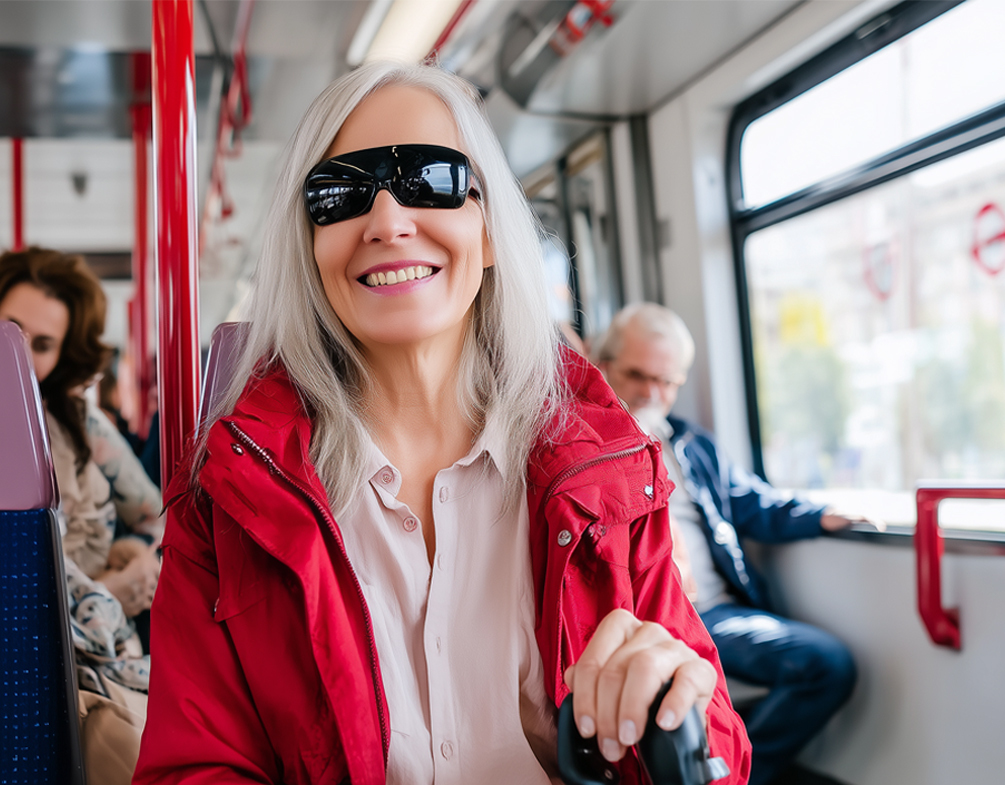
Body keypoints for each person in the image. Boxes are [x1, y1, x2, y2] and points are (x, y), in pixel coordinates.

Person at [133, 63, 749, 785]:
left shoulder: (605, 468)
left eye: (432, 178)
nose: (388, 221)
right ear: (309, 246)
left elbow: (719, 756)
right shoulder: (226, 499)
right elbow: (197, 766)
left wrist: (670, 717)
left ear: (488, 228)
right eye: (340, 194)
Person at [594, 303, 865, 785]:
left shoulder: (691, 446)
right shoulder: (586, 451)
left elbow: (750, 502)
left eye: (668, 382)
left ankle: (735, 776)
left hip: (712, 612)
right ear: (605, 365)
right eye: (638, 376)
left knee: (827, 664)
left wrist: (819, 516)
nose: (653, 394)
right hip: (635, 615)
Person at [0, 247, 164, 783]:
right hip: (31, 653)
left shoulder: (81, 426)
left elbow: (154, 513)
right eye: (10, 331)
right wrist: (112, 590)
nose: (20, 354)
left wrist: (137, 556)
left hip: (99, 644)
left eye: (41, 345)